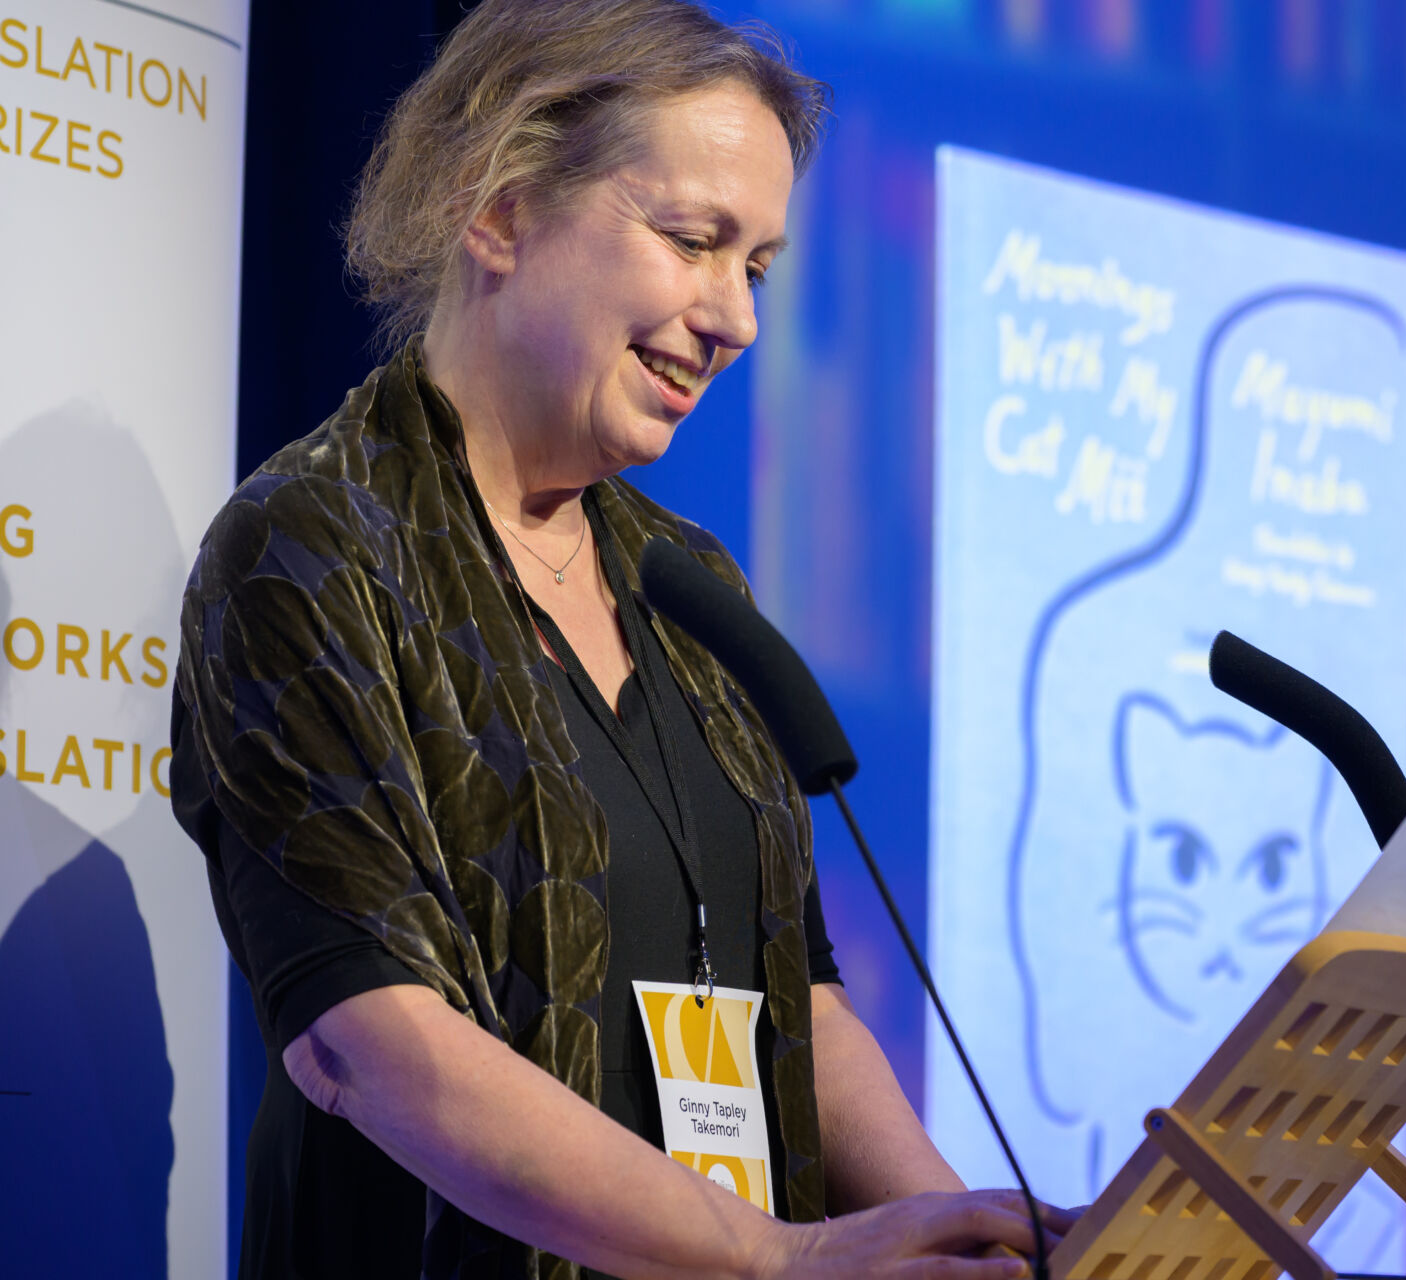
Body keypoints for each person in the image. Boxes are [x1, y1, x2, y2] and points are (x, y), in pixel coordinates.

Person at [170, 3, 1069, 1277]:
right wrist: (785, 1259)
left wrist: (970, 1234)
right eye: (693, 241)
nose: (737, 318)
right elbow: (369, 1038)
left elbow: (796, 1002)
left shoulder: (688, 582)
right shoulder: (312, 550)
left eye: (754, 266)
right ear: (501, 205)